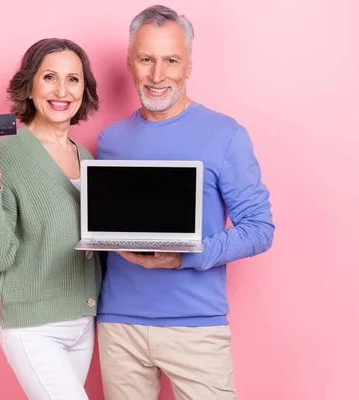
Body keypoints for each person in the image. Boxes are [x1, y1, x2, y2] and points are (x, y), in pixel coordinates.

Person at [96, 5, 275, 400]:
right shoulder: (110, 140)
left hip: (196, 328)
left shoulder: (225, 134)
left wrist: (185, 255)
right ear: (130, 62)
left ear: (189, 65)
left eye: (171, 60)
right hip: (118, 326)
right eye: (146, 59)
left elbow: (260, 230)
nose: (158, 76)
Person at [0, 38, 101, 400]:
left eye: (73, 80)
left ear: (84, 90)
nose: (61, 90)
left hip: (83, 321)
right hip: (34, 326)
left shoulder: (87, 158)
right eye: (49, 77)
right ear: (30, 85)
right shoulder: (4, 155)